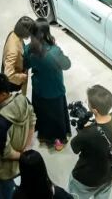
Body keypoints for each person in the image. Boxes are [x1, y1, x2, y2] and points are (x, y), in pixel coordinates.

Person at [23, 19, 71, 150]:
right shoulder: (54, 51)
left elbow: (26, 65)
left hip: (39, 89)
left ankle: (44, 136)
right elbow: (67, 65)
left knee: (42, 114)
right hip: (55, 90)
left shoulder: (28, 50)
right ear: (46, 33)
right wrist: (55, 47)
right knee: (56, 116)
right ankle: (58, 140)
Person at [68, 85, 112, 199]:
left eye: (88, 102)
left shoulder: (87, 134)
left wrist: (84, 130)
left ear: (94, 110)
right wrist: (92, 126)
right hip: (108, 174)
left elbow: (74, 147)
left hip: (86, 180)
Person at [0, 73, 36, 199]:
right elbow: (32, 121)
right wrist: (26, 150)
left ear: (3, 94)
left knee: (6, 194)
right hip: (22, 163)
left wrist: (22, 156)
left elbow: (5, 152)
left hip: (6, 170)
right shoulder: (23, 100)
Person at [3, 16, 35, 95]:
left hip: (17, 66)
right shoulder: (13, 50)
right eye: (30, 32)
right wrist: (23, 77)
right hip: (13, 82)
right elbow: (8, 75)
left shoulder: (14, 33)